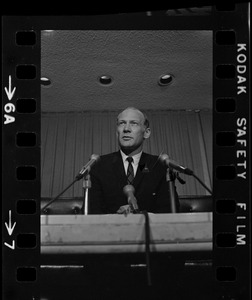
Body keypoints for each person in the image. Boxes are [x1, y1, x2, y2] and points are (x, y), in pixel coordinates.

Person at [89, 107, 180, 214]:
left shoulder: (159, 165)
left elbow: (169, 209)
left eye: (134, 123)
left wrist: (142, 216)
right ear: (117, 132)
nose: (126, 129)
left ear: (146, 132)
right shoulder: (100, 165)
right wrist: (115, 217)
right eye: (122, 123)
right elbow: (91, 209)